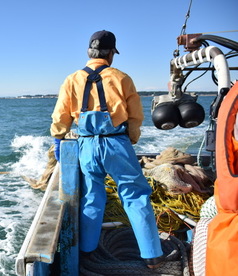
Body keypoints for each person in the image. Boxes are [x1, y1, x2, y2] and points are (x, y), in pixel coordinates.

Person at [50, 30, 164, 268]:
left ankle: (88, 252)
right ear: (111, 53)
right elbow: (135, 116)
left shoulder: (71, 79)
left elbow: (61, 116)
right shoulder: (122, 78)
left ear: (89, 52)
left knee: (92, 197)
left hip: (87, 145)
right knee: (135, 196)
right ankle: (152, 255)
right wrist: (131, 139)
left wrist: (58, 140)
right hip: (116, 143)